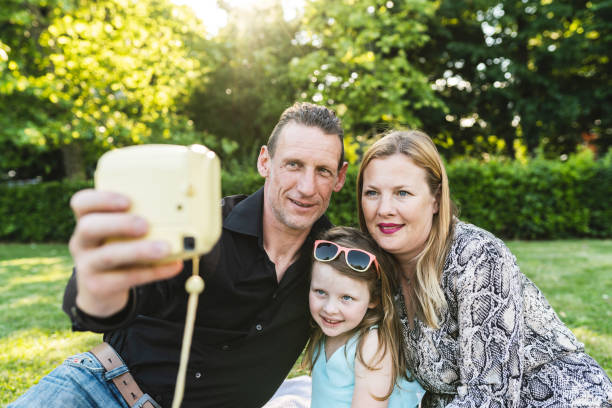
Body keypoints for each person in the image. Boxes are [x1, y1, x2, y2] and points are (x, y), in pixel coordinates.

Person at [9, 102, 348, 408]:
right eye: (293, 164)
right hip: (100, 392)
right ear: (265, 161)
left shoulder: (338, 261)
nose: (306, 187)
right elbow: (104, 306)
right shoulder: (199, 226)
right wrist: (99, 290)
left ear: (340, 177)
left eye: (322, 170)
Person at [356, 129, 612, 407]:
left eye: (402, 193)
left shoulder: (478, 256)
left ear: (435, 200)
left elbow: (491, 397)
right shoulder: (373, 269)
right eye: (372, 193)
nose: (384, 209)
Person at [305, 226, 424, 408]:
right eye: (320, 292)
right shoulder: (324, 330)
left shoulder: (371, 343)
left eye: (346, 298)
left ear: (374, 299)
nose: (329, 309)